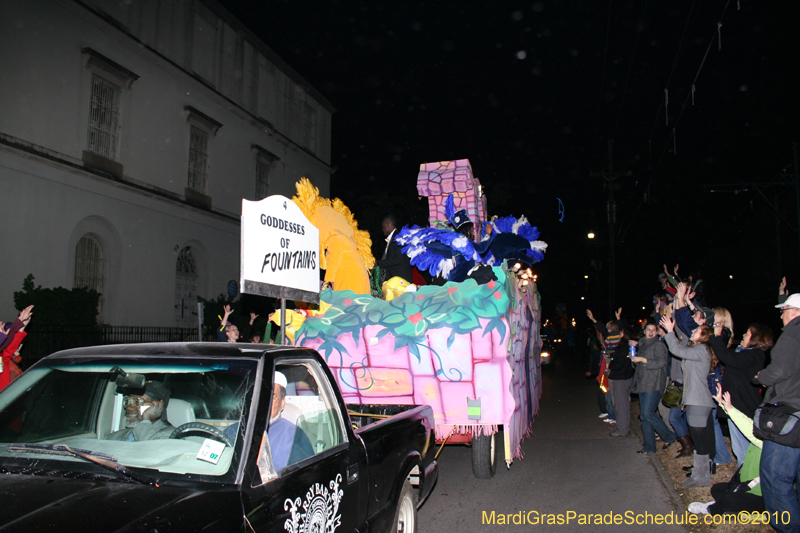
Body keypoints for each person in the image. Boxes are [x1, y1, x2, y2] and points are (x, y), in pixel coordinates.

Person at [755, 289, 800, 533]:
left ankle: (788, 527)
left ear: (795, 312)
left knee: (776, 476)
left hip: (789, 414)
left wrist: (760, 377)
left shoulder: (793, 334)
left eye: (784, 311)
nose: (781, 316)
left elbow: (780, 370)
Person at [688, 384, 765, 518]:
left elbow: (749, 429)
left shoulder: (768, 442)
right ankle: (728, 507)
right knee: (717, 489)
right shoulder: (762, 437)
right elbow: (749, 423)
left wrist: (729, 408)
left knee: (729, 499)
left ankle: (712, 509)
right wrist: (725, 406)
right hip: (744, 487)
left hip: (760, 495)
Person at [660, 314, 717, 488]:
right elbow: (681, 349)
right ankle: (700, 474)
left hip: (698, 402)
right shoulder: (699, 349)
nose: (693, 331)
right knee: (701, 440)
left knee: (700, 441)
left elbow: (677, 350)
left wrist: (670, 331)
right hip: (697, 401)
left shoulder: (701, 349)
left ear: (704, 336)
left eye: (696, 330)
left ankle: (702, 478)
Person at [225, 371, 313, 470]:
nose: (264, 402)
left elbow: (304, 473)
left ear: (282, 403)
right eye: (259, 396)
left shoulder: (294, 435)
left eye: (272, 397)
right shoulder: (233, 430)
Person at [711, 321, 771, 468]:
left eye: (747, 334)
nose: (743, 335)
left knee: (742, 448)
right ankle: (744, 475)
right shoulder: (745, 353)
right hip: (736, 403)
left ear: (755, 338)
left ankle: (745, 477)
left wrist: (717, 336)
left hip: (742, 405)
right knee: (739, 446)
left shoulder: (754, 355)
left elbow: (726, 356)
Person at [631, 323, 677, 454]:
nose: (651, 332)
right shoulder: (643, 344)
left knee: (648, 414)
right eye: (648, 330)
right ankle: (649, 447)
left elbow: (661, 362)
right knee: (644, 416)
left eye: (653, 330)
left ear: (657, 332)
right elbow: (639, 366)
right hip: (643, 383)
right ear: (644, 331)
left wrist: (643, 359)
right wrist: (634, 360)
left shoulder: (659, 345)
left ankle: (669, 436)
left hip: (654, 383)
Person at [588, 307, 634, 437]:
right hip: (618, 376)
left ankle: (622, 429)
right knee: (620, 404)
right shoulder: (622, 345)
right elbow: (603, 330)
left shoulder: (622, 347)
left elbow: (618, 363)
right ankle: (622, 427)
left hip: (620, 378)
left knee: (620, 405)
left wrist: (609, 363)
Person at [107, 381, 175, 441]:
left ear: (158, 405)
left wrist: (145, 419)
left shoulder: (172, 436)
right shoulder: (114, 437)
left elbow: (149, 449)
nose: (129, 407)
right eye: (128, 402)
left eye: (137, 402)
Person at [376, 214, 412, 285]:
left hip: (401, 280)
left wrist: (378, 263)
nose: (382, 229)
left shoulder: (399, 238)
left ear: (387, 225)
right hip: (394, 279)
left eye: (383, 226)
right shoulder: (393, 238)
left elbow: (399, 259)